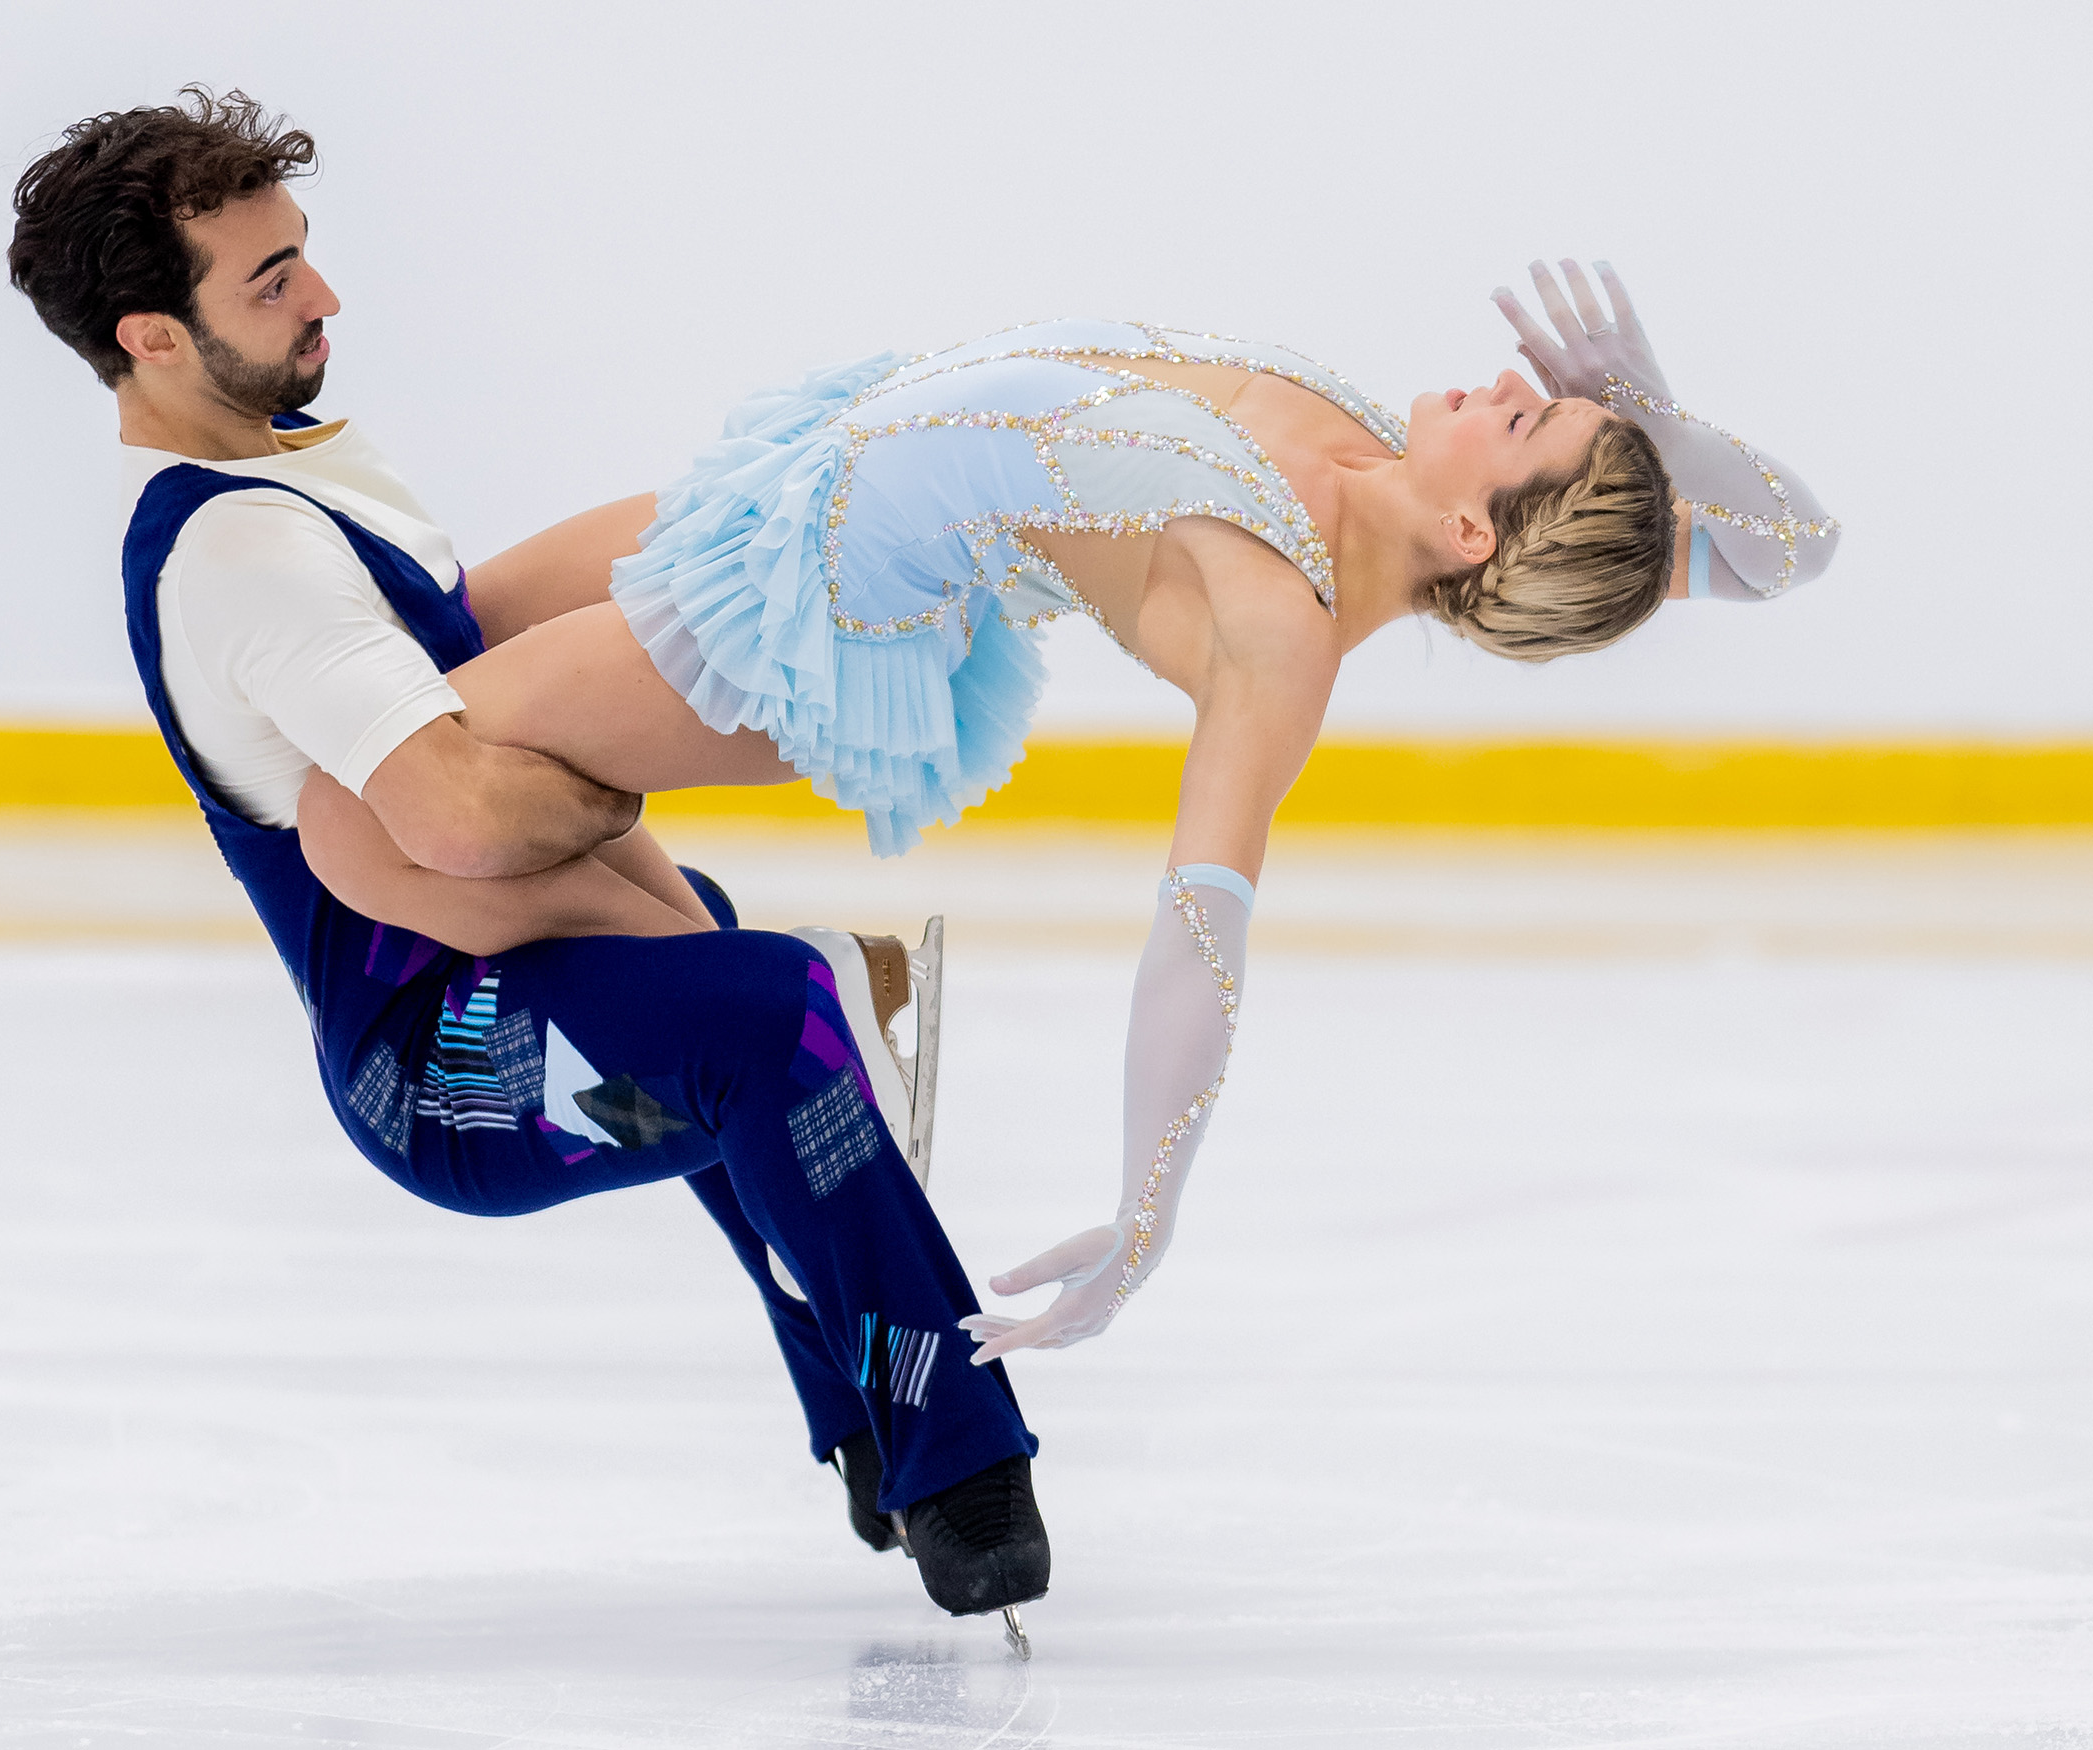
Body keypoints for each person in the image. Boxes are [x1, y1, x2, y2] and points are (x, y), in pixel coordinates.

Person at [292, 288, 1840, 1368]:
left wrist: (1144, 1210)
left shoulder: (1278, 631)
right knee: (429, 644)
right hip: (808, 472)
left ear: (1467, 529)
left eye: (1528, 423)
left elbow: (1201, 934)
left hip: (817, 600)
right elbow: (1792, 548)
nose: (1505, 383)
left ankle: (781, 1018)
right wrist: (1661, 423)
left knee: (360, 824)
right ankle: (782, 989)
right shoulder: (1376, 445)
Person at [5, 90, 1051, 1649]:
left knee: (717, 976)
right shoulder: (241, 554)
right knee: (766, 1016)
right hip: (443, 1071)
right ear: (152, 337)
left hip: (505, 982)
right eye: (270, 281)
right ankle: (962, 1473)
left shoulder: (296, 481)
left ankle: (869, 1427)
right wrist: (643, 755)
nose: (323, 299)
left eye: (305, 257)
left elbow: (479, 644)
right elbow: (463, 820)